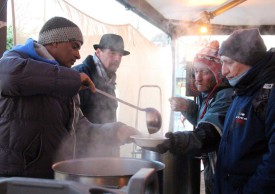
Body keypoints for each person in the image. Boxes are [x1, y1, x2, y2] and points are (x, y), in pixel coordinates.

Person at [0, 16, 140, 179]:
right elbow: (9, 76)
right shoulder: (16, 61)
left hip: (49, 177)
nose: (78, 55)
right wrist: (71, 79)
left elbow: (80, 129)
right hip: (15, 179)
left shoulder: (64, 82)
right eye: (74, 47)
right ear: (54, 42)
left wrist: (116, 131)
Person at [155, 40, 234, 194]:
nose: (197, 78)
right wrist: (189, 107)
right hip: (214, 170)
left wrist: (174, 140)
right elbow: (203, 120)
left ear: (217, 72)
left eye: (204, 72)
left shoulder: (226, 95)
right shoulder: (207, 94)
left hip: (225, 173)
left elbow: (209, 133)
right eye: (195, 71)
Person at [214, 28, 275, 194]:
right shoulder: (242, 90)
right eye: (221, 63)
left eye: (229, 62)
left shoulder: (270, 93)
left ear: (250, 60)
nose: (223, 71)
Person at [73, 33, 130, 124]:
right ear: (98, 52)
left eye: (120, 55)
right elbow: (73, 123)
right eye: (113, 53)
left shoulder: (110, 81)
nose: (117, 59)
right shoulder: (79, 76)